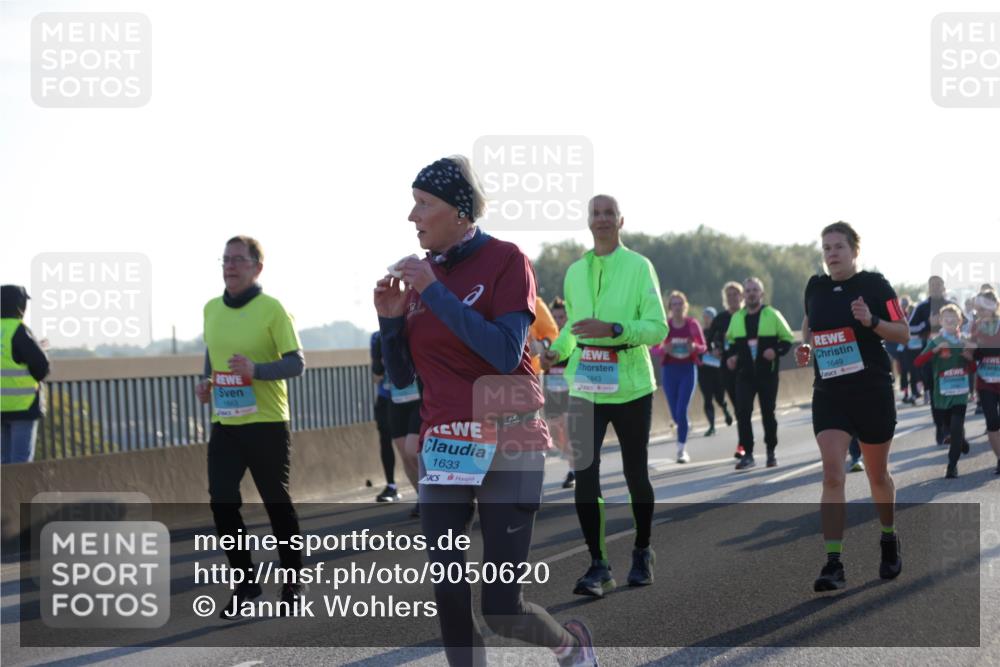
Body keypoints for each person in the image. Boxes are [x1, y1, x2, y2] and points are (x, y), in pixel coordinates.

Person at [376, 156, 597, 667]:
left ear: (458, 210)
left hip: (512, 435)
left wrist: (433, 291)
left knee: (500, 607)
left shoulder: (505, 260)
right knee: (450, 594)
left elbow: (503, 352)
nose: (412, 215)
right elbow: (405, 380)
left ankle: (569, 644)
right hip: (447, 442)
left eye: (423, 203)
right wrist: (391, 323)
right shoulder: (421, 278)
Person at [541, 194, 668, 597]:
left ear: (621, 220)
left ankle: (642, 550)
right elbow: (573, 330)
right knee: (585, 476)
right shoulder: (576, 271)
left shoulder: (639, 266)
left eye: (608, 213)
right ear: (588, 220)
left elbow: (657, 327)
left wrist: (615, 329)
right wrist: (556, 352)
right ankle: (598, 564)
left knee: (635, 475)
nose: (601, 219)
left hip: (630, 384)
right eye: (595, 213)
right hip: (586, 386)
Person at [194, 236, 307, 617]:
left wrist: (257, 371)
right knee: (222, 500)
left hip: (267, 422)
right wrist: (206, 383)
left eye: (239, 260)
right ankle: (245, 582)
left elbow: (296, 363)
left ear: (257, 267)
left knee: (276, 501)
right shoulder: (210, 308)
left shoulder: (272, 309)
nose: (230, 266)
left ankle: (293, 579)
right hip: (225, 422)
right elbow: (213, 356)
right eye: (225, 259)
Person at [796, 221, 908, 592]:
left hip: (871, 390)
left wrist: (871, 321)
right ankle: (833, 563)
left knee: (877, 476)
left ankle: (888, 538)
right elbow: (809, 326)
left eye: (838, 247)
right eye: (826, 247)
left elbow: (902, 332)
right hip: (830, 393)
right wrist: (807, 347)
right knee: (833, 474)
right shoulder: (815, 287)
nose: (831, 254)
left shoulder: (875, 286)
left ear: (854, 250)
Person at [725, 277, 795, 470]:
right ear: (744, 295)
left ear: (762, 294)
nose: (751, 294)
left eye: (755, 290)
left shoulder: (772, 314)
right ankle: (748, 454)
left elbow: (787, 340)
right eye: (748, 291)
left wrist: (776, 351)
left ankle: (771, 452)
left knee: (767, 413)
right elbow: (730, 344)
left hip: (767, 374)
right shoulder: (737, 317)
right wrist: (731, 357)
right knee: (743, 412)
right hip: (744, 374)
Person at [914, 304, 975, 478]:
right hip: (941, 395)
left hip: (960, 393)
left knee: (956, 428)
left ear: (960, 321)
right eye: (946, 318)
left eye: (953, 318)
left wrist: (969, 359)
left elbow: (972, 369)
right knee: (950, 429)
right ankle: (961, 441)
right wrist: (933, 352)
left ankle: (952, 465)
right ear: (940, 321)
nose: (950, 321)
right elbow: (918, 362)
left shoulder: (965, 341)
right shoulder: (936, 341)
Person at [652, 291, 706, 462]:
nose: (677, 307)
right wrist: (663, 350)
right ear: (669, 308)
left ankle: (681, 450)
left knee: (682, 410)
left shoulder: (692, 324)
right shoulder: (665, 326)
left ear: (685, 306)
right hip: (669, 371)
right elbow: (653, 349)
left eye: (680, 303)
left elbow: (703, 346)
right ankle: (684, 425)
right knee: (676, 414)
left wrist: (695, 347)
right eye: (674, 304)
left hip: (687, 370)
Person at [1, 285, 49, 463]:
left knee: (3, 463)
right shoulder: (19, 330)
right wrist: (41, 350)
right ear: (20, 305)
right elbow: (41, 367)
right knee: (21, 463)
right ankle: (18, 493)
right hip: (22, 406)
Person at [706, 282, 743, 457]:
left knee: (745, 407)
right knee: (738, 407)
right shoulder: (720, 319)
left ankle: (747, 443)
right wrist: (714, 350)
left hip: (748, 366)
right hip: (727, 368)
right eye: (729, 295)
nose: (733, 298)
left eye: (736, 294)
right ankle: (744, 442)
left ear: (741, 297)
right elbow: (708, 340)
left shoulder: (748, 315)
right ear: (725, 299)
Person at [908, 276, 958, 406]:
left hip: (952, 352)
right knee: (933, 385)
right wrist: (927, 323)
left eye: (938, 285)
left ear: (943, 287)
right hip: (931, 352)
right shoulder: (922, 307)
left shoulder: (951, 306)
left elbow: (965, 324)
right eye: (932, 285)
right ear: (929, 288)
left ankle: (954, 419)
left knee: (951, 385)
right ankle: (940, 421)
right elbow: (909, 328)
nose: (935, 288)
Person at [545, 297, 576, 488]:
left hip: (570, 391)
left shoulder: (571, 336)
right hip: (551, 390)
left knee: (569, 427)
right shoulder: (547, 337)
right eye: (555, 316)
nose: (558, 320)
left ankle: (573, 471)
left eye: (562, 316)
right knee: (556, 434)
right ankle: (572, 459)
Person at [968, 290, 1000, 474]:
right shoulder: (976, 327)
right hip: (986, 380)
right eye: (980, 307)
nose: (982, 311)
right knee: (992, 420)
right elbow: (971, 354)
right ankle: (999, 459)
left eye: (986, 306)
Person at [370, 331, 401, 502]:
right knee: (385, 439)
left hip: (409, 398)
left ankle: (425, 491)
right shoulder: (376, 337)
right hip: (385, 396)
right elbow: (376, 375)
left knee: (411, 446)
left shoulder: (407, 330)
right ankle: (391, 486)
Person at [696, 306, 732, 437]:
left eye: (709, 317)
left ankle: (725, 409)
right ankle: (711, 426)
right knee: (707, 398)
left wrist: (719, 352)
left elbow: (727, 347)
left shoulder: (720, 332)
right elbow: (697, 348)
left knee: (719, 397)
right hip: (703, 370)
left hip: (717, 369)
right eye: (704, 317)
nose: (706, 320)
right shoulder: (700, 333)